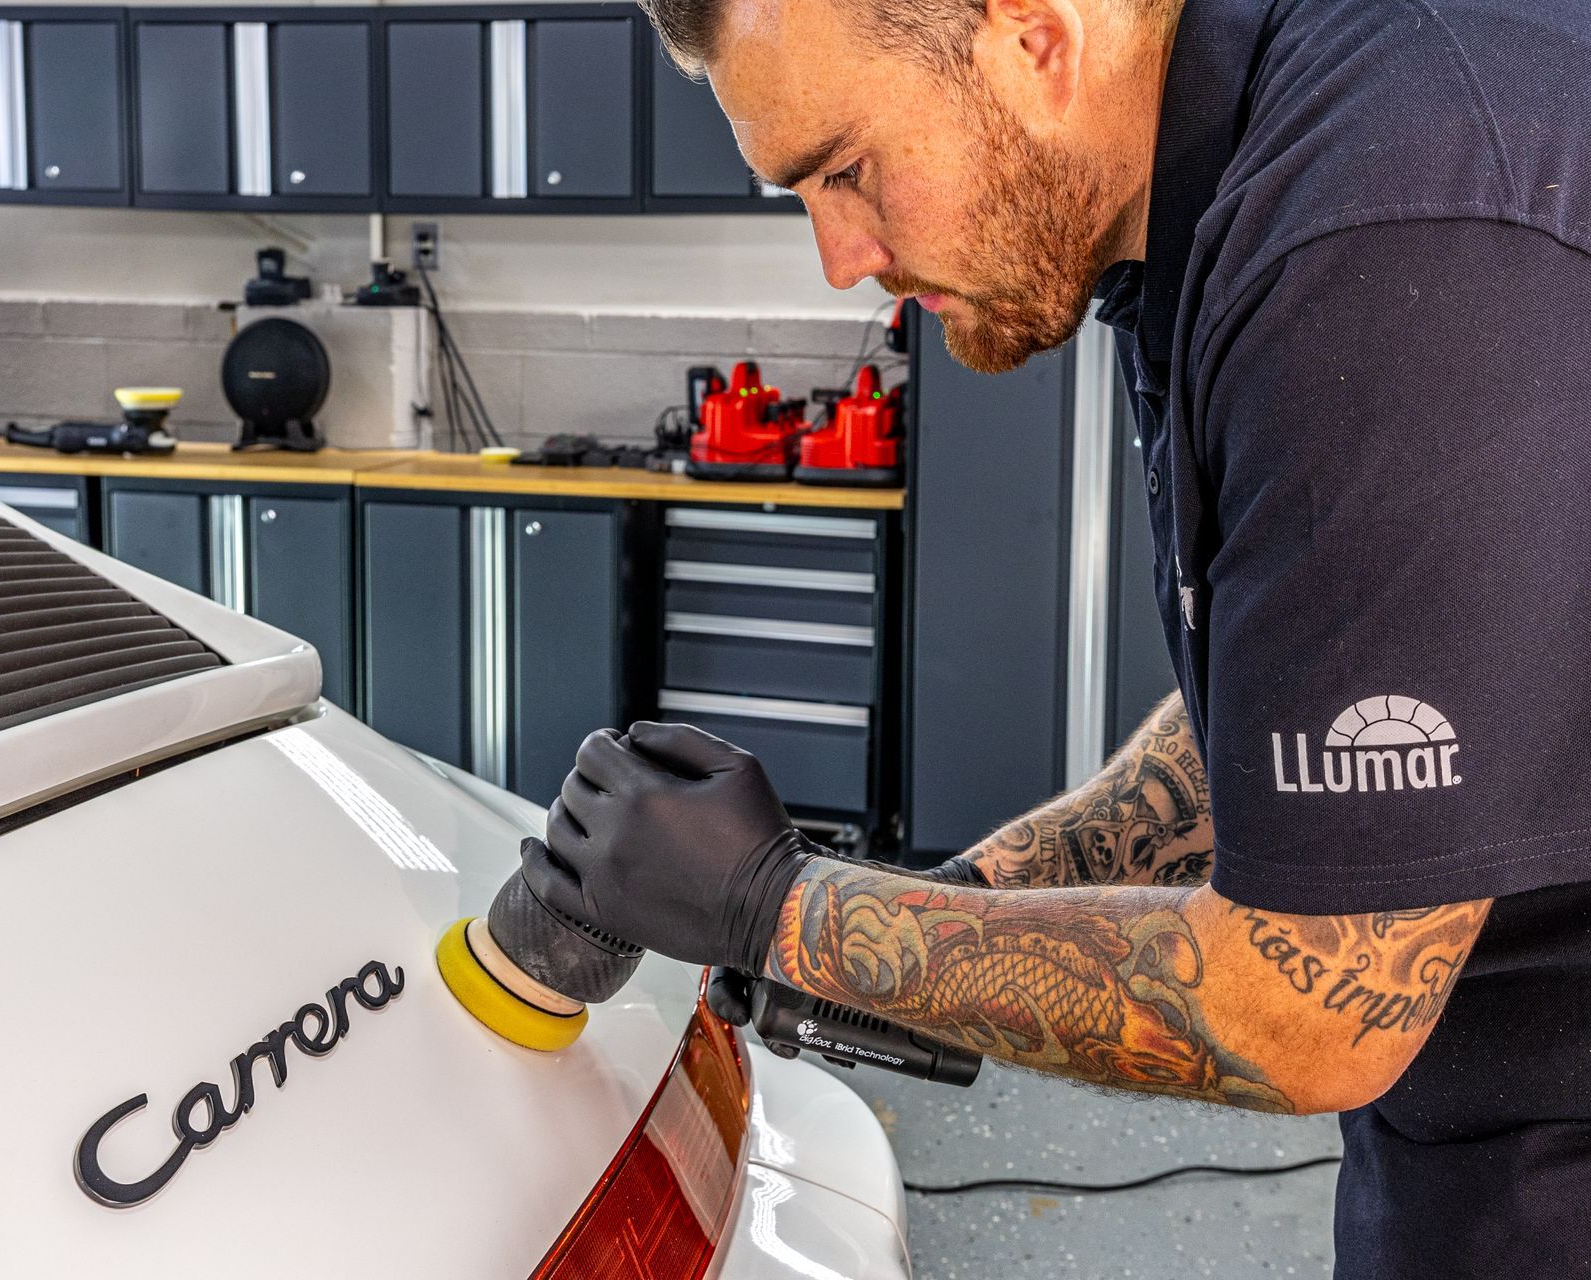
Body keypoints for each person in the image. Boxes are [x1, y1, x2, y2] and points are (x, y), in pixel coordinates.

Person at [517, 0, 1591, 1275]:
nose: (839, 258)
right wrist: (942, 907)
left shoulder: (1391, 221)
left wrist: (783, 909)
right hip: (1468, 1124)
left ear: (1036, 33)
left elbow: (1309, 1001)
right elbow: (1332, 664)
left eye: (846, 170)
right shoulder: (1233, 175)